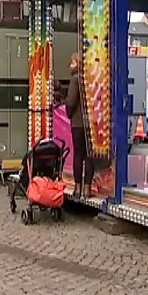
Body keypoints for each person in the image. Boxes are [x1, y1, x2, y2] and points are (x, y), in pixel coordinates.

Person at [65, 53, 93, 198]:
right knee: (89, 156)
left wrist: (68, 113)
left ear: (77, 64)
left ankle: (77, 188)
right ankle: (88, 189)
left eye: (72, 63)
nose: (70, 66)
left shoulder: (75, 80)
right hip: (91, 124)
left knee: (78, 154)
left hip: (77, 123)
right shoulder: (91, 78)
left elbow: (71, 101)